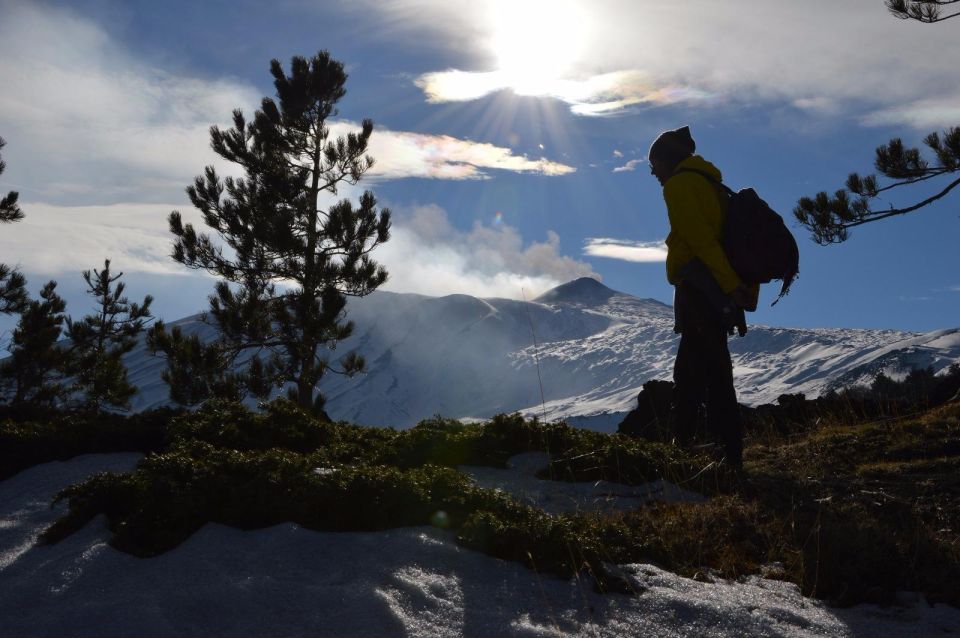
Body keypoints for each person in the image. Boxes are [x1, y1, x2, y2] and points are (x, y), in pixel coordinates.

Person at [648, 126, 757, 468]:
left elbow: (699, 241)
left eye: (654, 164)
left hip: (700, 289)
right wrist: (736, 287)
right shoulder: (713, 185)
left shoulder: (680, 185)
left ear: (667, 160)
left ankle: (702, 455)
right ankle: (721, 452)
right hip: (715, 292)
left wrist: (729, 285)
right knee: (705, 371)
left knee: (701, 375)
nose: (653, 173)